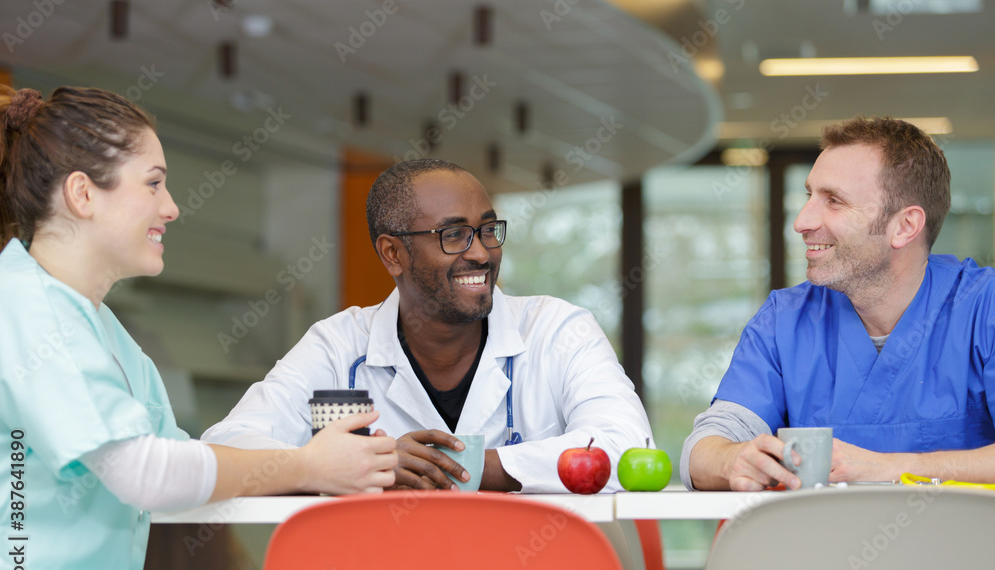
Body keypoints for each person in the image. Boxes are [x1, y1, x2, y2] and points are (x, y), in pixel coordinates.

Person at [0, 86, 398, 570]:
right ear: (83, 194)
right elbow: (143, 473)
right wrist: (307, 464)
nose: (172, 208)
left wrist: (327, 466)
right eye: (153, 183)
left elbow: (178, 465)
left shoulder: (102, 330)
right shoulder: (28, 309)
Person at [203, 158, 653, 493]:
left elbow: (627, 446)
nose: (480, 253)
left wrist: (455, 467)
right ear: (392, 254)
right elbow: (227, 446)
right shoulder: (338, 346)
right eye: (453, 234)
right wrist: (362, 463)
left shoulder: (557, 330)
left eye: (488, 229)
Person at [682, 115, 995, 491]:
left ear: (905, 226)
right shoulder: (786, 321)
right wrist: (733, 459)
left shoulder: (982, 309)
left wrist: (887, 468)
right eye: (808, 196)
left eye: (834, 200)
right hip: (819, 549)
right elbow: (701, 453)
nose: (801, 221)